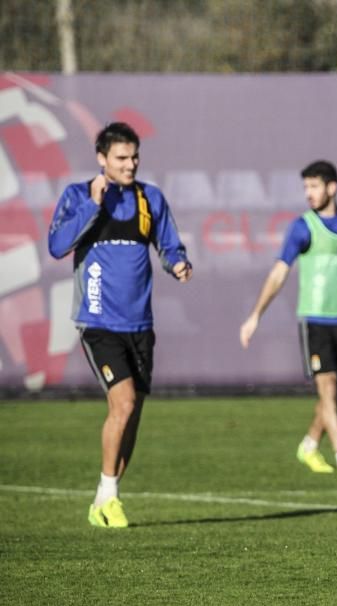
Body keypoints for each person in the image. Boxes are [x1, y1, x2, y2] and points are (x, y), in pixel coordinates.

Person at [48, 121, 193, 528]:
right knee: (124, 402)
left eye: (134, 157)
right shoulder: (79, 195)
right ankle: (108, 496)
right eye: (121, 158)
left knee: (133, 412)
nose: (130, 165)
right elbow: (58, 246)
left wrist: (177, 262)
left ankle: (105, 499)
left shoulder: (150, 198)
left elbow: (168, 244)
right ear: (102, 159)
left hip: (140, 324)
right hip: (97, 322)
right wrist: (93, 207)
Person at [239, 160, 337, 477]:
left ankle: (310, 445)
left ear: (332, 187)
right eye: (306, 188)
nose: (309, 194)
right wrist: (256, 315)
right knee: (326, 390)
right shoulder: (302, 227)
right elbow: (278, 273)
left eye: (314, 187)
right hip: (315, 320)